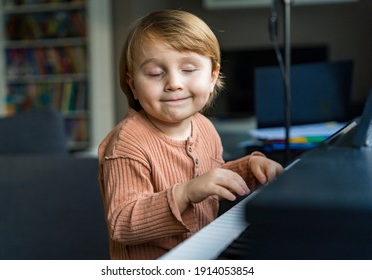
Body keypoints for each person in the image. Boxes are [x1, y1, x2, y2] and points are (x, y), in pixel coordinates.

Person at [98, 9, 284, 260]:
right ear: (133, 84)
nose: (174, 83)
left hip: (202, 255)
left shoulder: (205, 127)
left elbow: (210, 178)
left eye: (188, 69)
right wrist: (185, 193)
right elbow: (122, 223)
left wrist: (249, 168)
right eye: (155, 73)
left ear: (212, 76)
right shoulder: (127, 144)